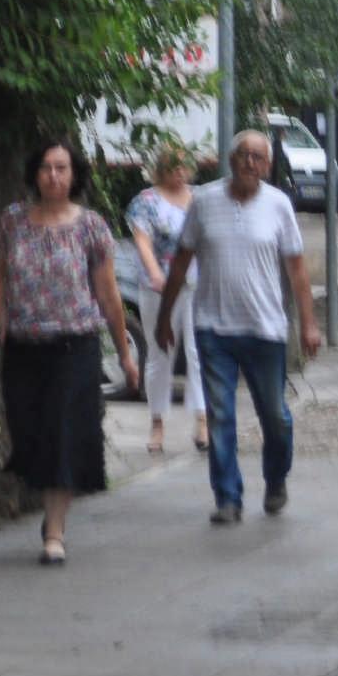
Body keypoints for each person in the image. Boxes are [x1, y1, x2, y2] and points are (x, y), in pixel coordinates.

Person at [0, 139, 141, 566]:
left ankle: (55, 531)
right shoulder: (13, 221)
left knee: (63, 435)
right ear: (35, 173)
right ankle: (47, 504)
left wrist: (124, 353)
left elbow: (109, 295)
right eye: (47, 168)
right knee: (29, 431)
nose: (54, 176)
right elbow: (2, 273)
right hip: (23, 345)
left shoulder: (91, 227)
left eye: (62, 168)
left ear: (74, 176)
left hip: (75, 346)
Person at [155, 129, 321, 525]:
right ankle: (228, 497)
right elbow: (180, 262)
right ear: (230, 161)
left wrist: (309, 325)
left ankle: (276, 478)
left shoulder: (279, 205)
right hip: (214, 328)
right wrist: (164, 317)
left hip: (265, 330)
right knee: (221, 416)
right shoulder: (205, 202)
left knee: (275, 417)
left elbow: (297, 271)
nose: (249, 162)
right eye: (243, 155)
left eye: (258, 157)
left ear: (267, 165)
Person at [125, 144, 207, 456]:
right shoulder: (145, 201)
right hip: (158, 287)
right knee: (160, 353)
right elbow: (143, 242)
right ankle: (157, 422)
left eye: (183, 164)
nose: (178, 171)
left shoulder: (201, 198)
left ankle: (202, 420)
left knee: (198, 350)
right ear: (159, 168)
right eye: (171, 165)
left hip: (197, 284)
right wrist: (156, 273)